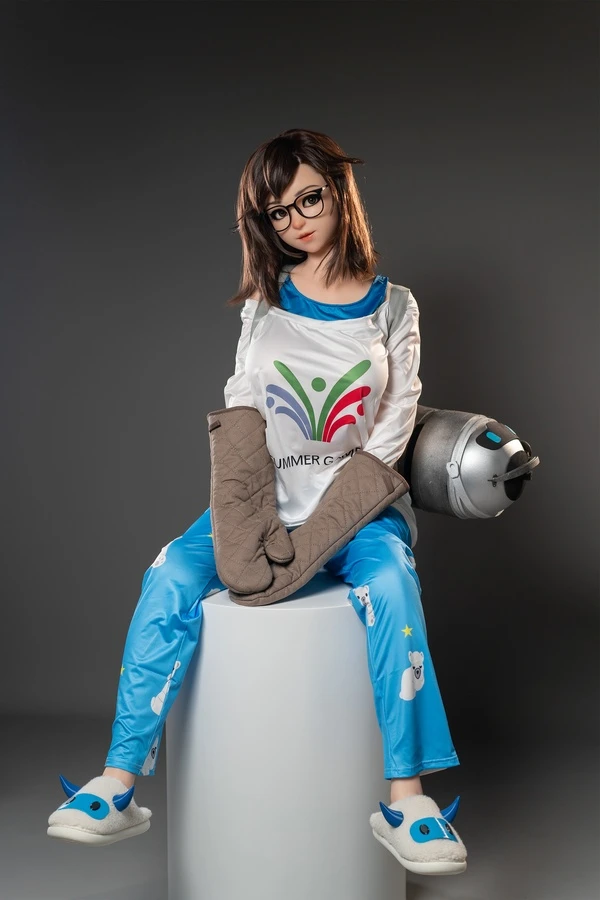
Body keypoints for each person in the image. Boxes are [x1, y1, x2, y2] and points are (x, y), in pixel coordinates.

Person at [47, 128, 467, 876]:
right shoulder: (265, 305)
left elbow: (394, 426)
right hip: (263, 502)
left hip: (360, 509)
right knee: (169, 576)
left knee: (392, 587)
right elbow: (242, 412)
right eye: (278, 211)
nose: (296, 221)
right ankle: (117, 780)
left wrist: (319, 536)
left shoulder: (396, 307)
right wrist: (250, 519)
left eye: (309, 199)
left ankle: (406, 800)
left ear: (340, 193)